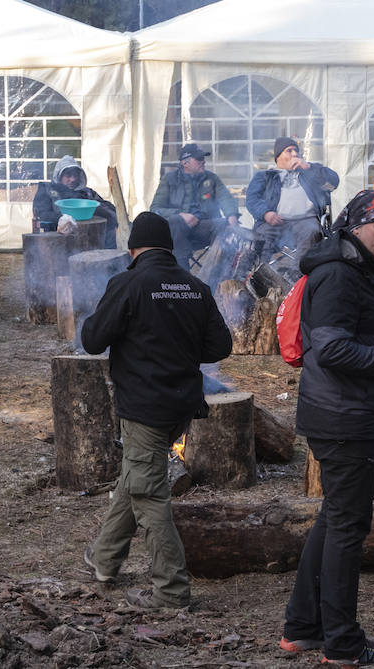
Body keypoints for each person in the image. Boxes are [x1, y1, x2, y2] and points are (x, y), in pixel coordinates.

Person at [281, 189, 374, 666]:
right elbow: (333, 349)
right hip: (343, 417)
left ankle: (303, 627)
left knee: (334, 519)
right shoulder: (341, 275)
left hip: (344, 413)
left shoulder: (355, 269)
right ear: (355, 226)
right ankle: (342, 643)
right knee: (348, 526)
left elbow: (350, 338)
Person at [79, 212, 233, 610]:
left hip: (144, 406)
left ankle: (171, 591)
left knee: (148, 493)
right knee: (136, 477)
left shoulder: (129, 282)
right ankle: (104, 559)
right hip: (181, 404)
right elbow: (219, 347)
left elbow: (93, 340)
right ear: (170, 248)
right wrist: (179, 348)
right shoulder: (194, 286)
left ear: (134, 250)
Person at [149, 142, 240, 269]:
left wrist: (232, 215)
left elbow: (226, 198)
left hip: (204, 227)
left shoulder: (211, 178)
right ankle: (182, 274)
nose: (203, 161)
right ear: (185, 163)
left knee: (223, 224)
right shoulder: (169, 179)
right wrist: (180, 215)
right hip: (176, 232)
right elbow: (155, 209)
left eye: (203, 158)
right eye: (199, 159)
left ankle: (215, 276)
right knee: (175, 222)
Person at [245, 136, 339, 259]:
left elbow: (333, 183)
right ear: (278, 156)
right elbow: (252, 199)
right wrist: (266, 213)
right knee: (262, 237)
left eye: (296, 150)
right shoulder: (265, 176)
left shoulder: (309, 171)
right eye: (289, 151)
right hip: (275, 221)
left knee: (311, 233)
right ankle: (260, 274)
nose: (295, 154)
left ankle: (298, 275)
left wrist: (309, 167)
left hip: (306, 221)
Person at [33, 156, 119, 249]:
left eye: (75, 175)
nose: (73, 179)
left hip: (90, 242)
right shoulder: (47, 191)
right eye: (68, 175)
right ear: (59, 175)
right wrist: (63, 218)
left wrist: (95, 207)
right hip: (58, 243)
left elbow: (108, 207)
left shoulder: (86, 192)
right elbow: (41, 214)